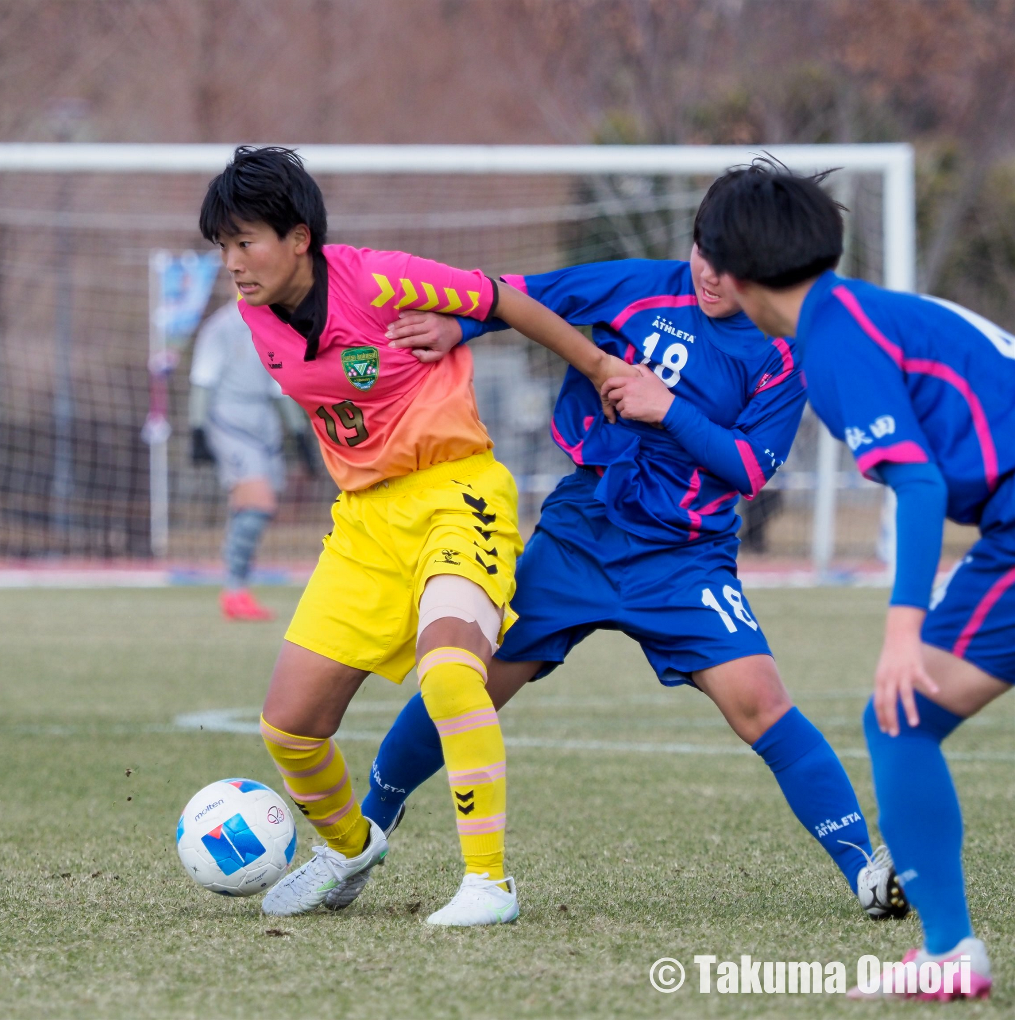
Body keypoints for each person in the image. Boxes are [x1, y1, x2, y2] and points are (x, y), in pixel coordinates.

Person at [337, 184, 908, 923]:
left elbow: (750, 468)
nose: (708, 272)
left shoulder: (780, 350)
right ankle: (364, 830)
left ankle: (866, 870)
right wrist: (458, 327)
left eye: (728, 264)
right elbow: (517, 296)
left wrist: (664, 407)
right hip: (583, 533)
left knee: (761, 703)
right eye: (702, 250)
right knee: (463, 681)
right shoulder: (638, 287)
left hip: (684, 557)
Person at [199, 145, 633, 925]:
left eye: (245, 241)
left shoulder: (378, 277)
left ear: (300, 237)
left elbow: (502, 298)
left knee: (449, 671)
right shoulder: (253, 313)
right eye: (223, 247)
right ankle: (350, 847)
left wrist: (599, 367)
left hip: (456, 493)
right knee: (289, 727)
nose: (232, 262)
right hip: (364, 522)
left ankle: (488, 882)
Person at [697, 159, 1010, 1001]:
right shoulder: (857, 313)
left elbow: (919, 482)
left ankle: (948, 952)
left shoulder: (832, 343)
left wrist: (904, 628)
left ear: (730, 269)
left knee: (900, 717)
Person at [188, 300, 319, 621]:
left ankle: (237, 589)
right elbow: (202, 381)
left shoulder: (278, 325)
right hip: (231, 422)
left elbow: (279, 386)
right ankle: (233, 590)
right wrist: (198, 429)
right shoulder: (222, 326)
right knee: (258, 503)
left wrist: (299, 435)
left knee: (252, 506)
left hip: (265, 424)